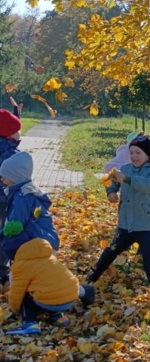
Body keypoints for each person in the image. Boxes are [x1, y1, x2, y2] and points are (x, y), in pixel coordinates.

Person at [85, 134, 150, 296]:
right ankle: (93, 275)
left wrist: (127, 179)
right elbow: (110, 179)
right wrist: (111, 191)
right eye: (131, 152)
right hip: (126, 224)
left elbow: (148, 185)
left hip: (146, 225)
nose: (134, 156)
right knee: (111, 251)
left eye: (138, 153)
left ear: (148, 154)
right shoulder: (126, 168)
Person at [4, 238, 95, 336]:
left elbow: (16, 294)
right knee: (50, 285)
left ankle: (30, 324)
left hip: (50, 301)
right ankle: (59, 316)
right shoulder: (48, 256)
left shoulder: (21, 266)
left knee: (24, 295)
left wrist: (16, 311)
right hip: (71, 297)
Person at [0, 151, 59, 263]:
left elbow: (16, 224)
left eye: (4, 176)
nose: (2, 179)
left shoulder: (22, 196)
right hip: (45, 242)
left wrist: (2, 234)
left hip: (38, 245)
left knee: (28, 272)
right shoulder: (29, 190)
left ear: (15, 176)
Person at [0, 107, 22, 285]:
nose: (20, 133)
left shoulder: (6, 147)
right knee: (4, 233)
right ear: (8, 135)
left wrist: (16, 114)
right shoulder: (11, 154)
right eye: (17, 130)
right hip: (4, 200)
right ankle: (2, 272)